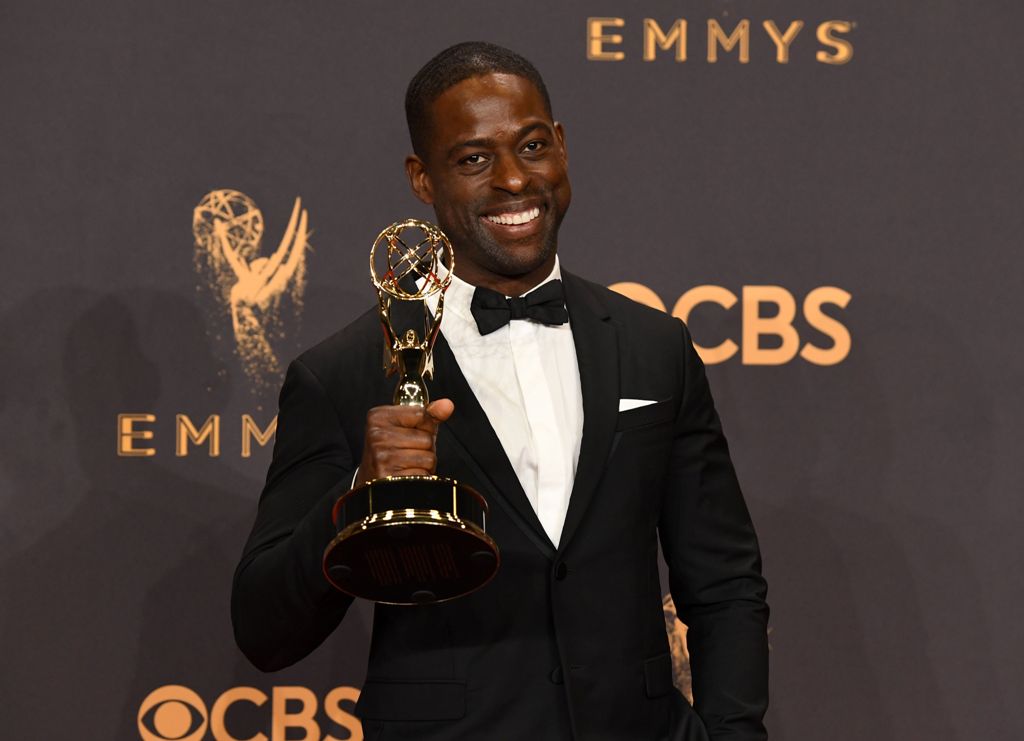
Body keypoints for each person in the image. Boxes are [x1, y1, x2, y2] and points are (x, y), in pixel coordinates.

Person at [232, 42, 769, 740]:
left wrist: (732, 732)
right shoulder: (343, 373)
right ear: (422, 179)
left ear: (562, 147)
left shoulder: (654, 347)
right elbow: (265, 632)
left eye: (533, 145)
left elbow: (725, 582)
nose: (515, 179)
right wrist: (358, 493)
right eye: (473, 159)